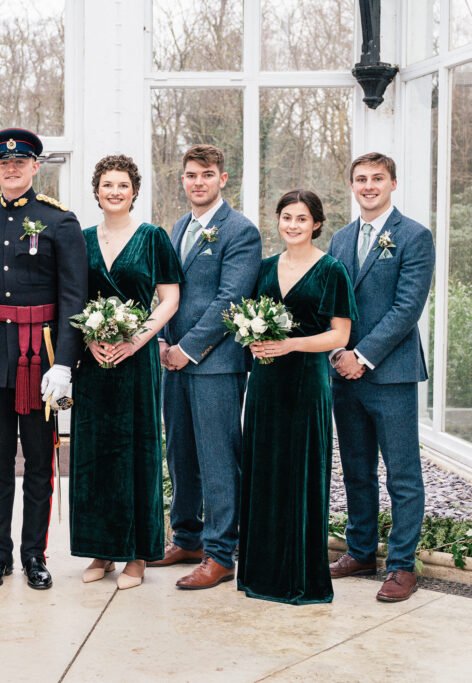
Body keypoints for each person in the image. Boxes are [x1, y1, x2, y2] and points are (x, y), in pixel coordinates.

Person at [0, 128, 88, 590]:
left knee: (39, 461)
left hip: (43, 358)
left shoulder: (59, 221)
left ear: (36, 166)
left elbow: (74, 297)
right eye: (3, 163)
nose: (12, 168)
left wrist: (66, 365)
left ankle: (34, 554)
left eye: (21, 162)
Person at [237, 190, 357, 605]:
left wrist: (289, 345)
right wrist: (251, 338)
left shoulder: (332, 270)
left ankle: (299, 578)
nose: (293, 225)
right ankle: (262, 575)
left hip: (306, 382)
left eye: (302, 219)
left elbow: (339, 335)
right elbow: (248, 318)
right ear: (278, 220)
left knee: (300, 472)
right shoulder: (265, 268)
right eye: (286, 217)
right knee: (265, 470)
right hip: (266, 384)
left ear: (316, 224)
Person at [70, 155, 183, 590]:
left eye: (122, 185)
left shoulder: (154, 238)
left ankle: (136, 554)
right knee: (94, 453)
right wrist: (91, 340)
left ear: (134, 190)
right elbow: (74, 300)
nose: (114, 191)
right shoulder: (80, 239)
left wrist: (136, 339)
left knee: (136, 451)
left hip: (136, 361)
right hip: (94, 361)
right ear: (96, 191)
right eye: (106, 185)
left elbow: (169, 299)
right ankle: (101, 550)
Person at [327, 153, 434, 602]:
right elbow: (328, 302)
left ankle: (402, 566)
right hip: (342, 374)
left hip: (390, 375)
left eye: (377, 178)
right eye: (360, 179)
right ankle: (360, 550)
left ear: (393, 182)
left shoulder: (414, 236)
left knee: (403, 475)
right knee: (356, 469)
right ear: (352, 185)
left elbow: (407, 308)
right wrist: (337, 352)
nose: (368, 186)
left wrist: (363, 356)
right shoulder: (339, 238)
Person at [154, 144, 262, 590]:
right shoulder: (179, 226)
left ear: (223, 179)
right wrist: (161, 337)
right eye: (191, 175)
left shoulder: (241, 231)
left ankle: (220, 554)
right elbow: (169, 290)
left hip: (214, 362)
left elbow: (230, 299)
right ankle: (188, 537)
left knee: (218, 458)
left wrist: (189, 347)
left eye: (207, 174)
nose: (198, 182)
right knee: (179, 454)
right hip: (172, 360)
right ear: (182, 180)